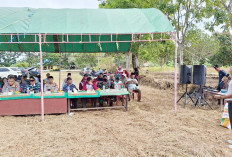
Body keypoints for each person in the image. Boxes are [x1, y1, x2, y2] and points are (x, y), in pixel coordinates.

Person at [214, 66, 232, 149]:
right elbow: (229, 90)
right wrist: (226, 83)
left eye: (231, 68)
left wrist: (221, 97)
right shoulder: (231, 79)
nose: (229, 70)